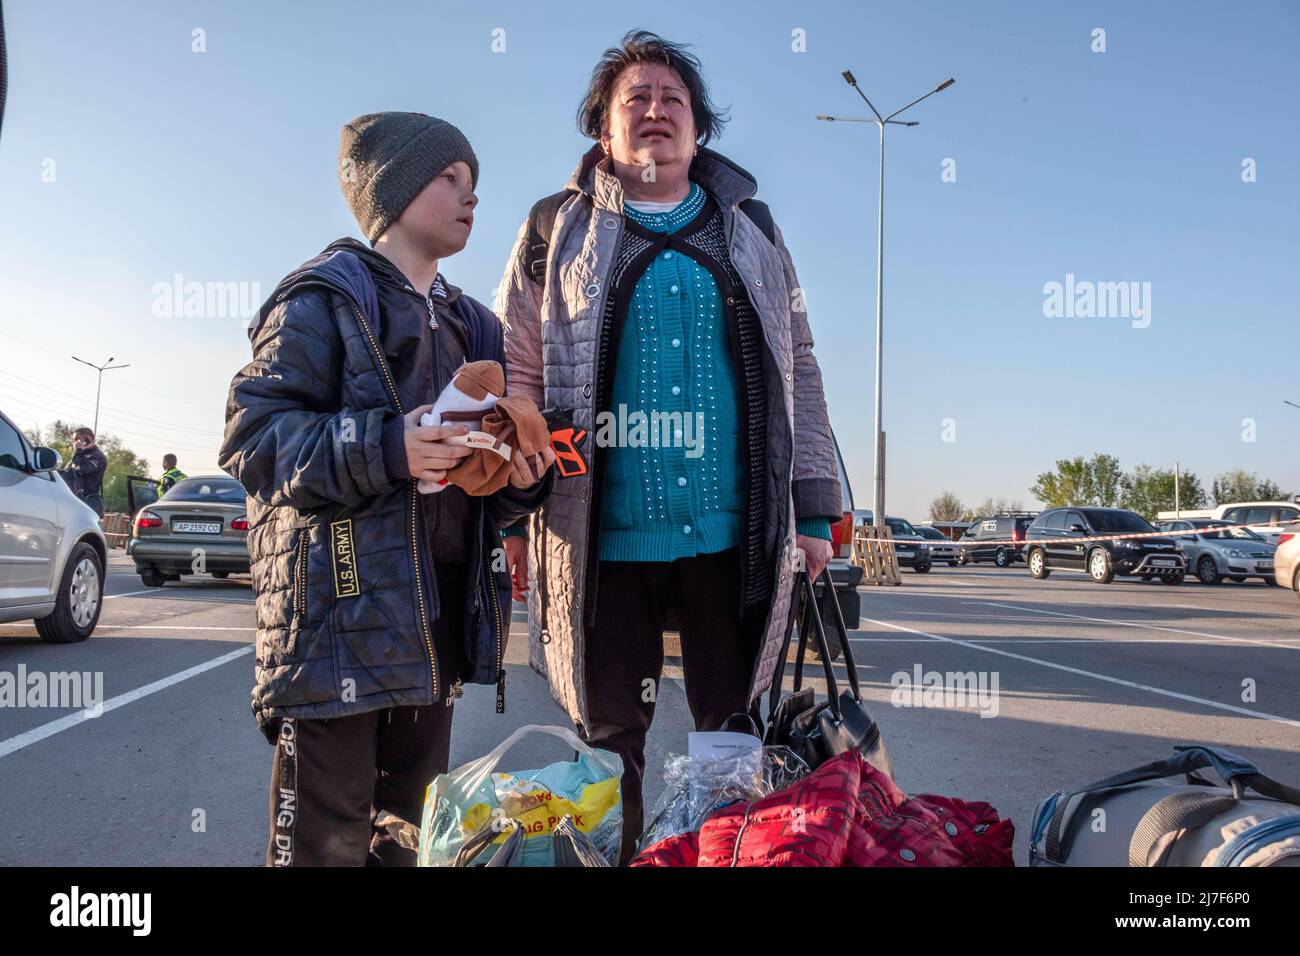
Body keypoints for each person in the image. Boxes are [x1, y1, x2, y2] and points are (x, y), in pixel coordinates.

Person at [496, 32, 842, 863]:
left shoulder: (749, 228)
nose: (656, 111)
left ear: (698, 128)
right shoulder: (556, 227)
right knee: (612, 732)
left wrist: (818, 510)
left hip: (733, 531)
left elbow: (798, 362)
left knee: (731, 724)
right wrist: (514, 516)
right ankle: (618, 857)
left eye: (673, 100)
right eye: (635, 101)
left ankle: (725, 853)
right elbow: (519, 371)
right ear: (604, 133)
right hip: (598, 534)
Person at [219, 112, 555, 867]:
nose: (471, 198)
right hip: (333, 628)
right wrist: (387, 444)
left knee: (410, 842)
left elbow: (479, 492)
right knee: (323, 845)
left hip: (432, 623)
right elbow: (254, 438)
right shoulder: (321, 296)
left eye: (475, 184)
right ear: (393, 188)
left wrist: (524, 482)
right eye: (450, 178)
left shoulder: (477, 324)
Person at [62, 426, 108, 517]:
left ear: (88, 439)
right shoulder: (79, 456)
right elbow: (66, 473)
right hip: (72, 501)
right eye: (74, 440)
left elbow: (83, 468)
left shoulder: (97, 456)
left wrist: (78, 450)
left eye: (77, 439)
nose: (75, 443)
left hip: (86, 504)